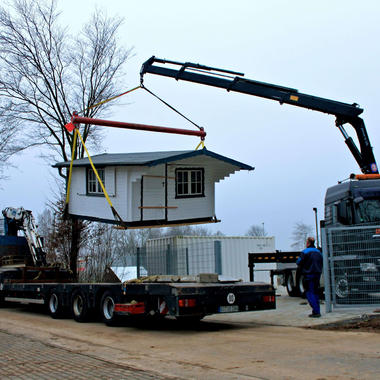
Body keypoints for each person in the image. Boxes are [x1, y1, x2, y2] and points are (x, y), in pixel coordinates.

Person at [296, 237, 323, 318]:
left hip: (309, 274)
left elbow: (298, 262)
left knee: (309, 293)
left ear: (308, 243)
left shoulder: (305, 252)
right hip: (317, 274)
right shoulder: (319, 252)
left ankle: (316, 311)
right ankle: (317, 310)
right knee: (315, 292)